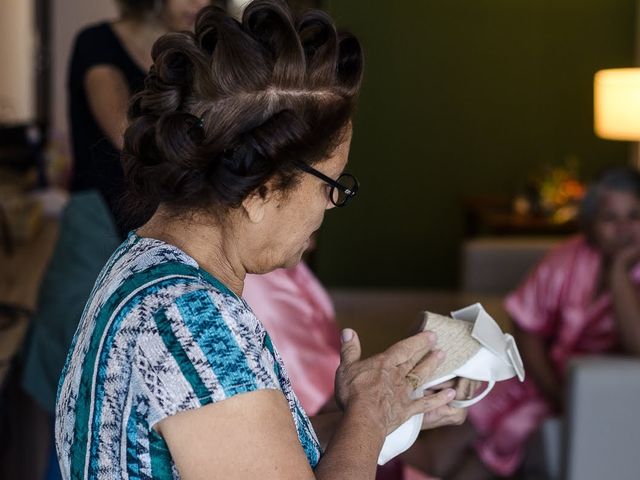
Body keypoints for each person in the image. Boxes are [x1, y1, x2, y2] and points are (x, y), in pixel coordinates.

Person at [55, 2, 469, 478]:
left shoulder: (140, 264)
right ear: (260, 189)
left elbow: (241, 449)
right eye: (328, 183)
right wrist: (369, 420)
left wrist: (373, 414)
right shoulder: (195, 323)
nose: (332, 203)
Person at [416, 167, 640, 480]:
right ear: (590, 224)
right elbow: (527, 328)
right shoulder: (566, 259)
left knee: (491, 451)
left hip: (593, 391)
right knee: (457, 425)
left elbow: (637, 346)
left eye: (634, 215)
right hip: (537, 373)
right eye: (610, 218)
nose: (624, 228)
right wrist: (551, 388)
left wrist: (618, 273)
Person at [68, 0, 211, 235]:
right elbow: (125, 134)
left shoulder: (193, 53)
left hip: (161, 210)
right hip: (98, 214)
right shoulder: (95, 42)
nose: (201, 2)